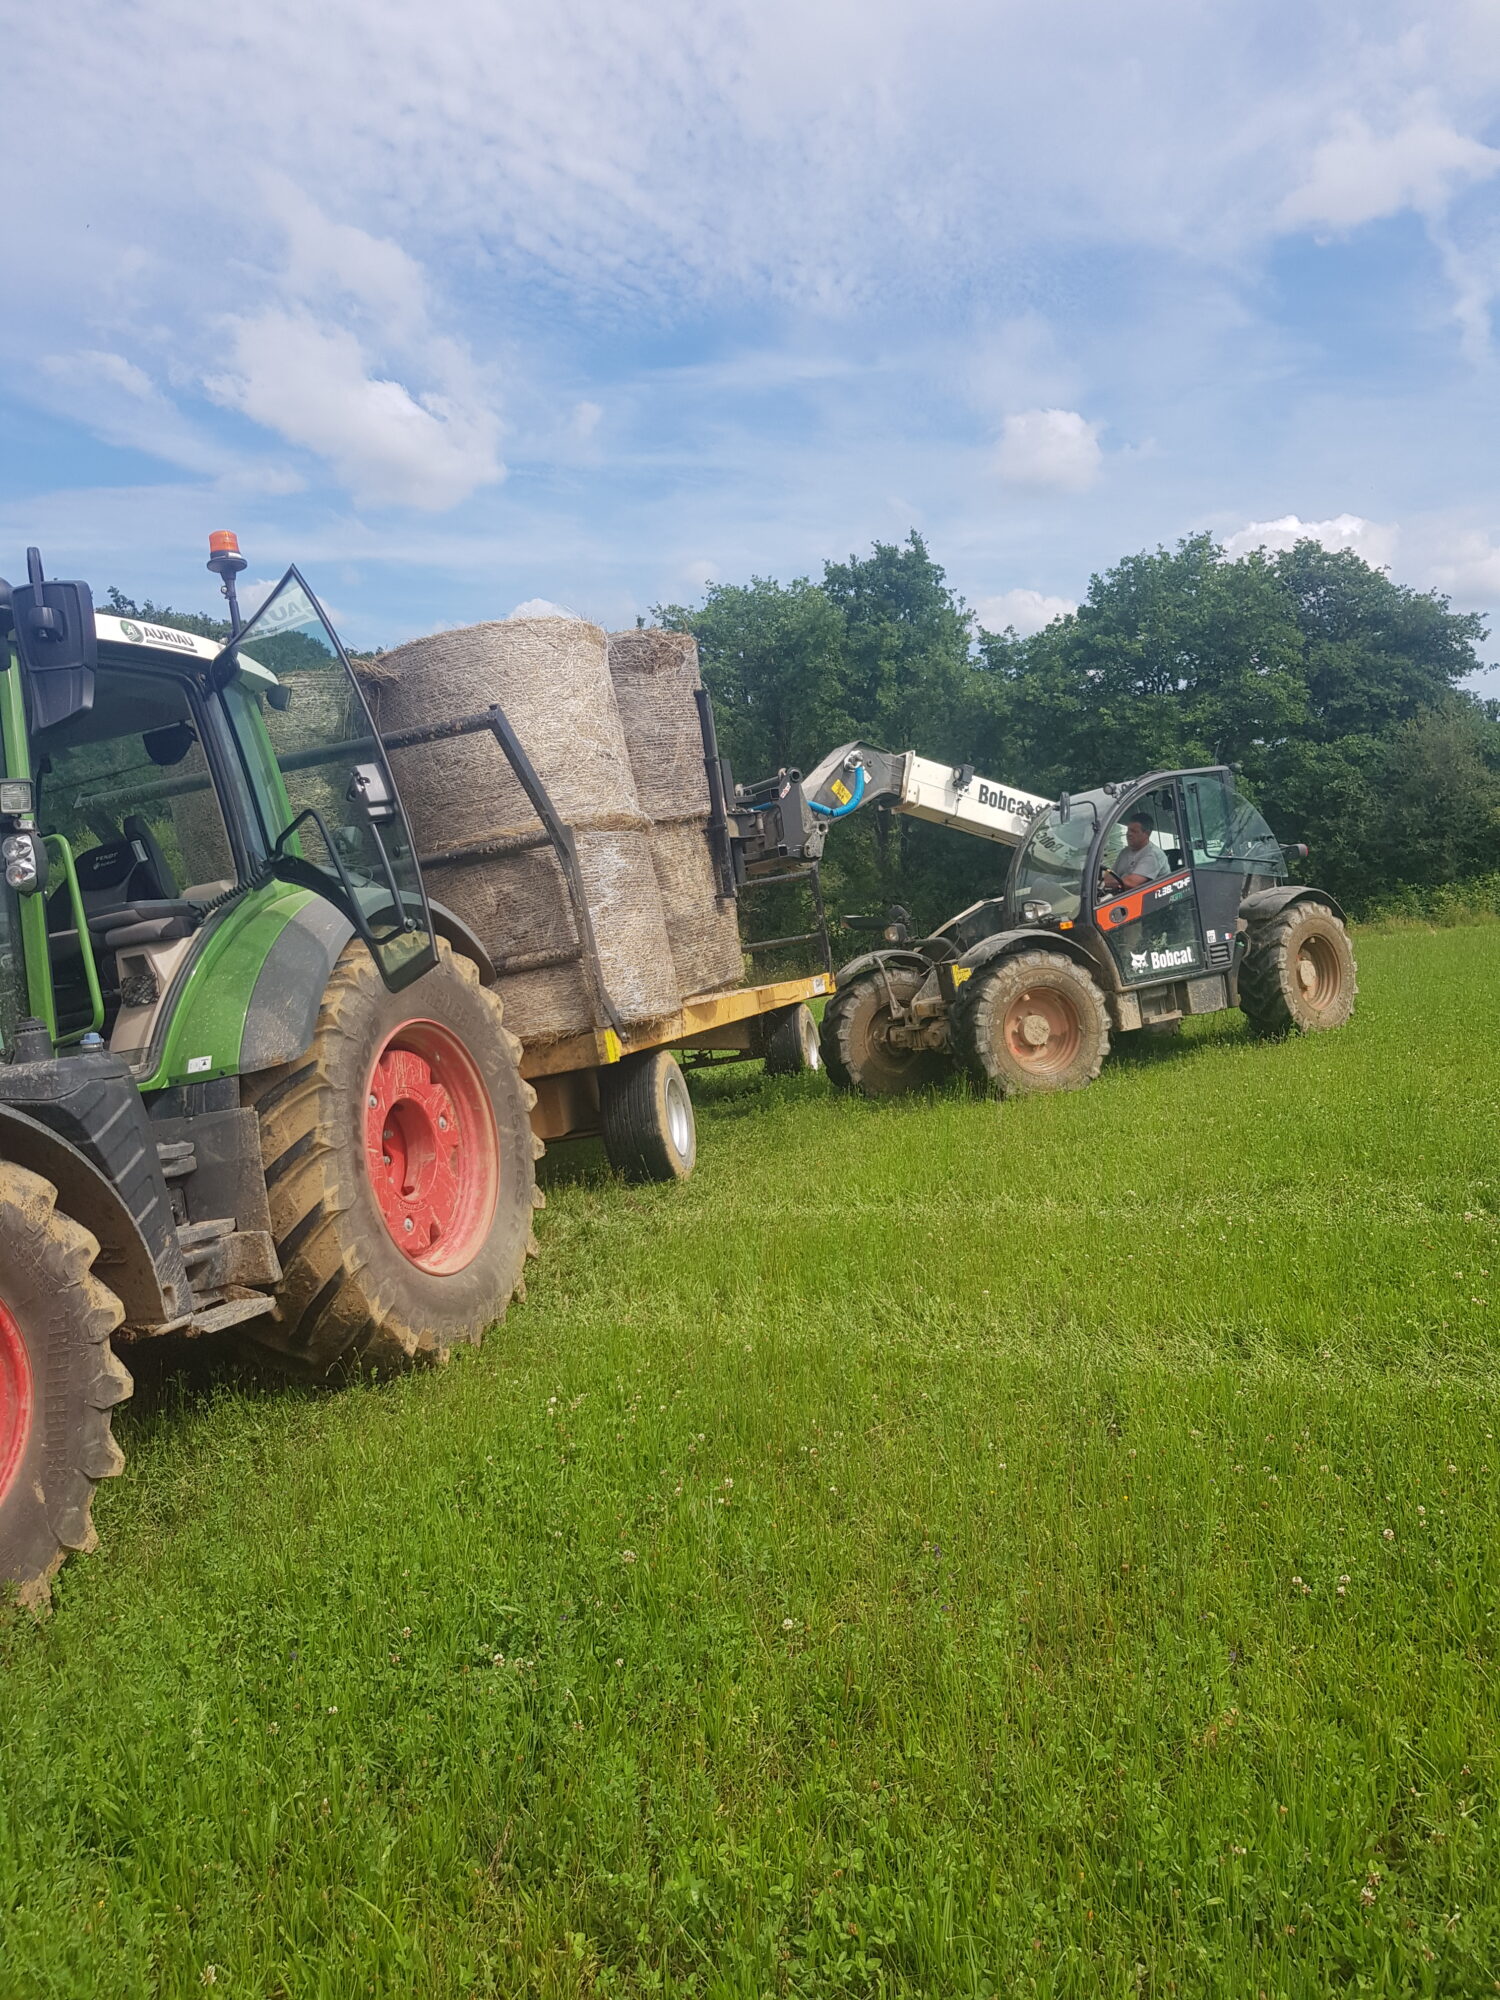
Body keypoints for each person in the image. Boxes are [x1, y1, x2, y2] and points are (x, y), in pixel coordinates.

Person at [1101, 810, 1170, 893]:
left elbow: (1131, 883)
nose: (1129, 834)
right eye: (1128, 830)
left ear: (1147, 834)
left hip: (1150, 900)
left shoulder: (1153, 855)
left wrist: (1107, 883)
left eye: (1134, 831)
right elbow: (1110, 876)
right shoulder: (1125, 852)